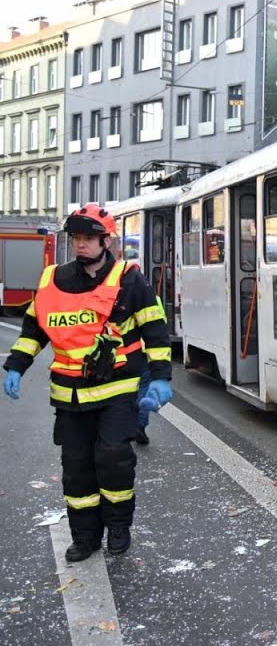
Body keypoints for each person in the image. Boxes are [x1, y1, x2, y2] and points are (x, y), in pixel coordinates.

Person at [3, 203, 172, 562]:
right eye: (76, 237)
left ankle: (118, 528)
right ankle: (85, 537)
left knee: (114, 460)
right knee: (76, 468)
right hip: (69, 396)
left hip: (117, 390)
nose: (81, 244)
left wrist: (160, 378)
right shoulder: (52, 280)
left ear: (105, 241)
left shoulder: (129, 279)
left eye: (89, 238)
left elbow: (155, 332)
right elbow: (33, 331)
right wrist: (16, 364)